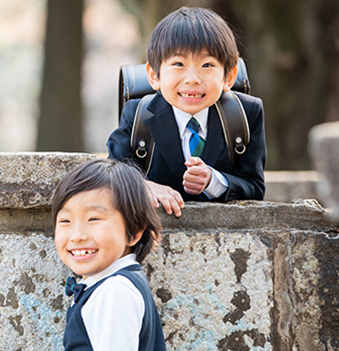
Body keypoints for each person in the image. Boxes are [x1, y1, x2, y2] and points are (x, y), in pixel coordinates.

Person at [107, 7, 266, 218]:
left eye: (207, 65)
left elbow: (254, 187)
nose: (192, 79)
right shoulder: (139, 115)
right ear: (154, 75)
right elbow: (111, 173)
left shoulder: (245, 115)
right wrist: (143, 187)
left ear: (229, 76)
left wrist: (213, 181)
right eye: (178, 64)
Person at [51, 158, 166, 351]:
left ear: (135, 231)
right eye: (65, 221)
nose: (77, 235)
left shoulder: (115, 291)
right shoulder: (108, 286)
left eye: (93, 219)